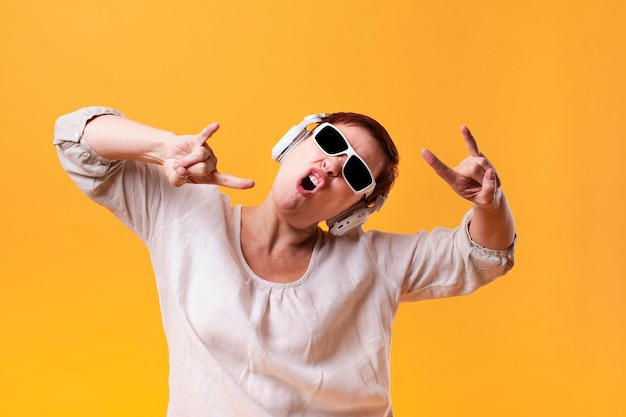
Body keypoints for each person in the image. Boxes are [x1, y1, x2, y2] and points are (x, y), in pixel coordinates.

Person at [54, 106, 516, 417]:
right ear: (295, 142)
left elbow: (482, 255)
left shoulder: (373, 263)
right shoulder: (186, 213)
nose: (335, 165)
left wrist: (486, 205)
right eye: (332, 142)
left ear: (354, 211)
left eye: (355, 172)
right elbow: (76, 137)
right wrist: (160, 147)